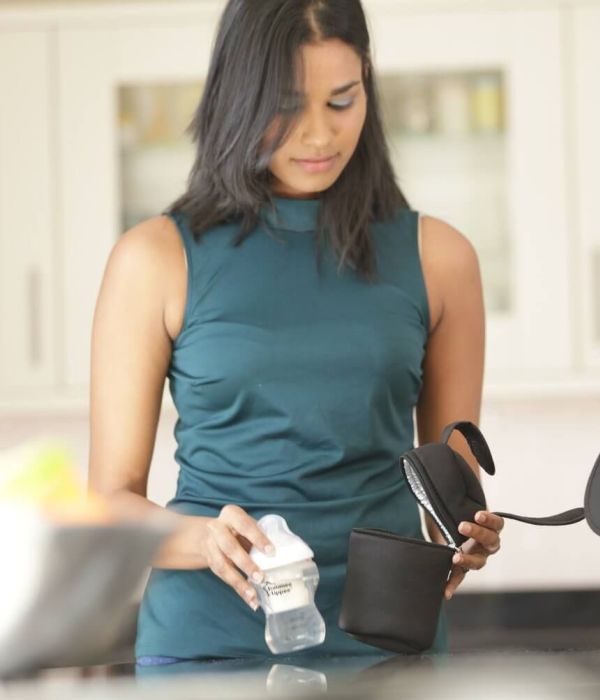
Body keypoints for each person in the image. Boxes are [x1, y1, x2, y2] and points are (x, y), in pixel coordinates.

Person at [88, 0, 504, 665]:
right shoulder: (155, 259)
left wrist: (464, 536)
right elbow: (108, 508)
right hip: (210, 651)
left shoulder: (440, 258)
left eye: (342, 101)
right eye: (287, 105)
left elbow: (444, 490)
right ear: (238, 97)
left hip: (390, 648)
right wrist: (202, 541)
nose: (318, 135)